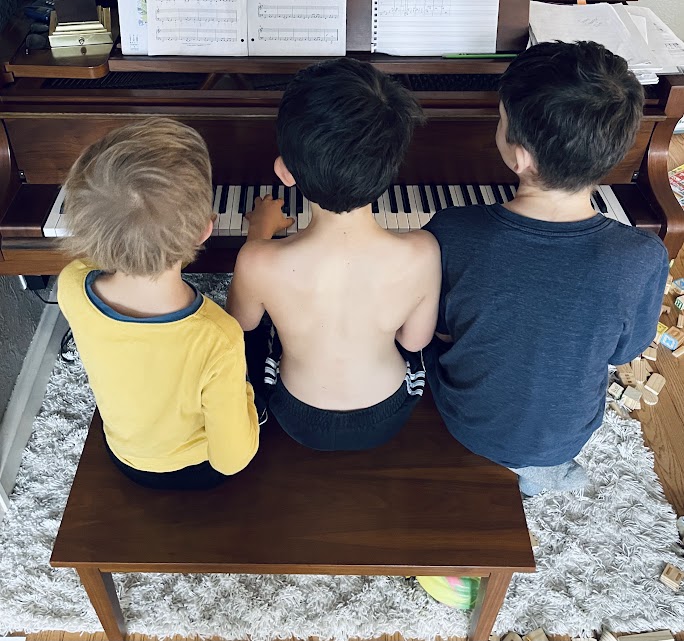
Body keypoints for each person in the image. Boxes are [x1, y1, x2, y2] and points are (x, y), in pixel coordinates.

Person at [424, 41, 669, 497]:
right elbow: (621, 354)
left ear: (519, 157)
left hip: (466, 424)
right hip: (565, 438)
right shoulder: (642, 256)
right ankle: (539, 471)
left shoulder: (453, 230)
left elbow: (437, 331)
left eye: (500, 122)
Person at [227, 57, 441, 451]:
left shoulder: (256, 262)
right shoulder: (423, 253)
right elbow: (414, 342)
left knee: (253, 345)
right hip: (389, 412)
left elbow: (239, 324)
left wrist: (258, 233)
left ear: (285, 172)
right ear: (389, 172)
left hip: (295, 415)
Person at [57, 118, 259, 489]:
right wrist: (245, 390)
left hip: (124, 454)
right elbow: (232, 461)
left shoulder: (70, 284)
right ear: (204, 230)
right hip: (197, 469)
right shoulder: (218, 337)